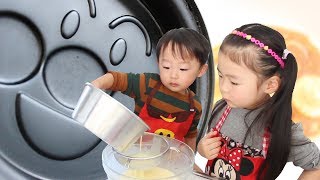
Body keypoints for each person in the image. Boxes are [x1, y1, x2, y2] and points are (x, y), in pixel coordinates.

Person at [196, 23, 320, 180]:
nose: (224, 88)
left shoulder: (280, 128)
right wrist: (202, 149)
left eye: (234, 82)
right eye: (221, 76)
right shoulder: (221, 109)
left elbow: (316, 166)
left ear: (270, 85)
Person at [91, 27, 211, 151]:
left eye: (183, 69)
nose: (173, 75)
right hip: (135, 154)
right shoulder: (148, 84)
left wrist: (190, 162)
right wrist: (98, 84)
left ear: (201, 70)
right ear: (158, 62)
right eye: (166, 67)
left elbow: (190, 137)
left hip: (167, 163)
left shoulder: (195, 106)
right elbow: (116, 79)